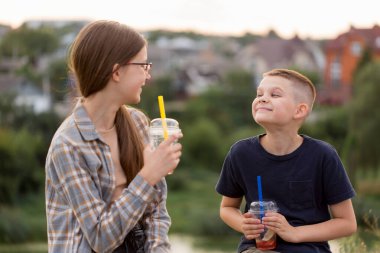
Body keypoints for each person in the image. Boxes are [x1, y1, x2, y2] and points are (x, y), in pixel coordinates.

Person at [45, 20, 182, 253]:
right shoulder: (68, 146)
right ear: (117, 72)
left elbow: (156, 212)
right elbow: (100, 238)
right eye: (143, 65)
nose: (148, 76)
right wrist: (148, 175)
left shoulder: (137, 123)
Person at [215, 69, 357, 253]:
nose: (262, 98)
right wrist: (243, 224)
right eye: (259, 94)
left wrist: (294, 233)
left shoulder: (323, 155)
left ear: (299, 110)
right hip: (256, 249)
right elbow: (227, 208)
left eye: (274, 94)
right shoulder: (240, 153)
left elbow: (347, 223)